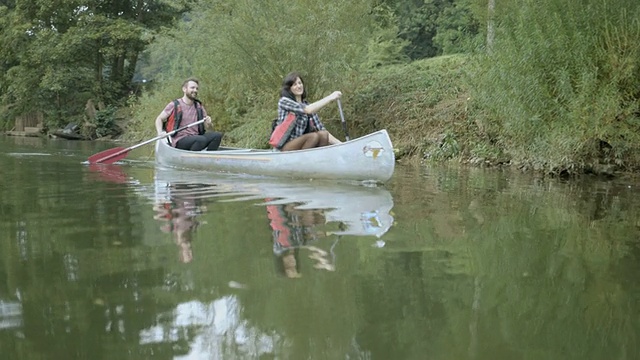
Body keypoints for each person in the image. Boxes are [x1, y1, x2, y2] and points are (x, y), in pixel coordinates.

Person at [272, 72, 343, 151]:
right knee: (313, 136)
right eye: (294, 84)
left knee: (323, 134)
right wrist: (331, 97)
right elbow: (308, 110)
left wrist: (341, 145)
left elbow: (321, 128)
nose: (298, 86)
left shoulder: (307, 105)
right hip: (285, 146)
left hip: (302, 145)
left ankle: (320, 159)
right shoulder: (284, 101)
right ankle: (303, 161)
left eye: (300, 83)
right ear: (289, 88)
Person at [155, 78, 224, 151]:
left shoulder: (198, 106)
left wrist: (209, 123)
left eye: (197, 88)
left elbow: (208, 127)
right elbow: (159, 119)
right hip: (180, 140)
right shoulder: (174, 105)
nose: (195, 90)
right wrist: (160, 132)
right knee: (200, 140)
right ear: (184, 89)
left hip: (197, 137)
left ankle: (208, 158)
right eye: (192, 88)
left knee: (217, 135)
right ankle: (192, 158)